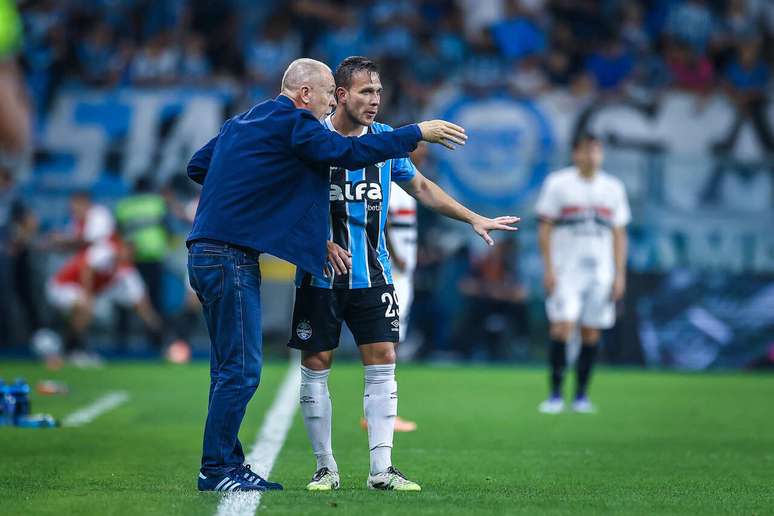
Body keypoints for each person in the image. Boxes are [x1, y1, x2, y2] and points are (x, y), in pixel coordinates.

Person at [185, 57, 467, 493]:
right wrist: (415, 133)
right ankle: (218, 468)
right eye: (326, 94)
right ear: (304, 94)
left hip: (206, 252)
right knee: (240, 370)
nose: (327, 105)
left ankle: (222, 464)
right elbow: (345, 152)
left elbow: (199, 167)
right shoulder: (297, 124)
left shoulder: (245, 121)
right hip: (229, 258)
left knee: (229, 367)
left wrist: (259, 195)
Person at [288, 56, 519, 492]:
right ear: (340, 95)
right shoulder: (311, 139)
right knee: (316, 364)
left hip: (374, 275)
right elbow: (285, 201)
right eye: (365, 92)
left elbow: (423, 188)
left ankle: (381, 470)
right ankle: (325, 468)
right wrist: (314, 240)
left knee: (384, 361)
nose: (375, 101)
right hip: (319, 277)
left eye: (378, 92)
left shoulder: (384, 142)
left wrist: (473, 218)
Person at [535, 132, 630, 414]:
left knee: (591, 332)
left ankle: (581, 396)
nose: (592, 156)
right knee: (562, 327)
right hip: (566, 269)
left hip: (600, 271)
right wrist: (549, 268)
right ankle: (554, 394)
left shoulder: (613, 188)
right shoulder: (558, 184)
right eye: (586, 150)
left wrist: (619, 273)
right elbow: (545, 228)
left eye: (596, 150)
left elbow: (619, 234)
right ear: (575, 154)